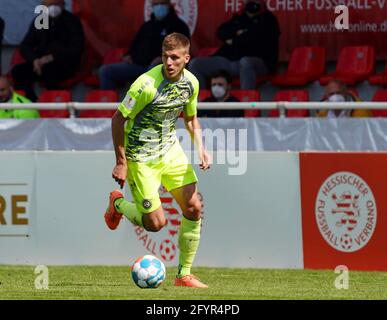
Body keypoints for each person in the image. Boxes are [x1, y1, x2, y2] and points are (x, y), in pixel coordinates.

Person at [104, 33, 211, 288]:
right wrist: (121, 162)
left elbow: (190, 118)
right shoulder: (145, 85)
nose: (169, 62)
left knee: (194, 207)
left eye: (175, 57)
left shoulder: (191, 84)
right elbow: (118, 119)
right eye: (165, 56)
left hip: (170, 150)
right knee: (156, 224)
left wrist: (202, 149)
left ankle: (183, 275)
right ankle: (118, 205)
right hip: (140, 157)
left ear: (186, 58)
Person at [99, 0, 190, 90]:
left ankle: (148, 103)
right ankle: (109, 103)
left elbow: (181, 52)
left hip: (161, 66)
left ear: (169, 5)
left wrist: (164, 58)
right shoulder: (147, 26)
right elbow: (134, 46)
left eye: (161, 3)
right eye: (155, 4)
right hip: (137, 65)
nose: (159, 7)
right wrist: (128, 56)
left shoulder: (179, 26)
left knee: (152, 72)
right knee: (106, 71)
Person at [189, 0, 280, 90]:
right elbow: (222, 32)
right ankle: (203, 100)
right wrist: (238, 34)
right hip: (230, 60)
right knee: (195, 64)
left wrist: (235, 39)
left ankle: (246, 100)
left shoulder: (269, 19)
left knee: (245, 62)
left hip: (258, 62)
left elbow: (254, 39)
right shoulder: (240, 17)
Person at [11, 0, 85, 101]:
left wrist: (52, 57)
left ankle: (54, 103)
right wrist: (35, 60)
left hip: (64, 64)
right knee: (19, 71)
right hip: (39, 64)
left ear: (63, 5)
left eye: (56, 4)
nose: (53, 7)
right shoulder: (40, 21)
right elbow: (25, 45)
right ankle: (31, 101)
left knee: (49, 70)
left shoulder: (72, 21)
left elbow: (76, 48)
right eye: (50, 5)